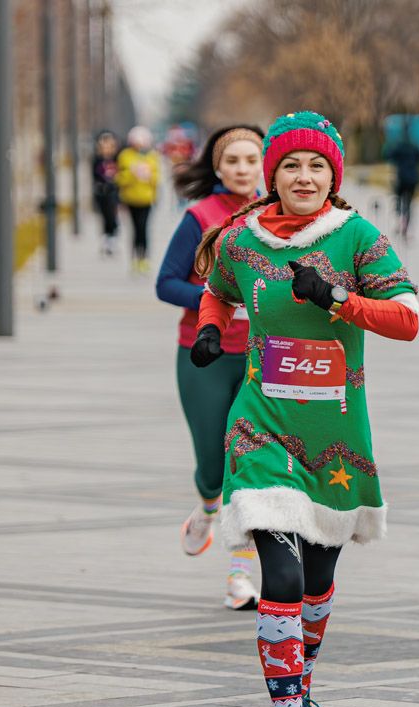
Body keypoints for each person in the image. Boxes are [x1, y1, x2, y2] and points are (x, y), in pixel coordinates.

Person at [189, 110, 419, 707]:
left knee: (317, 583)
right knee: (281, 578)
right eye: (290, 164)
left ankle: (302, 688)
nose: (303, 176)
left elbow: (407, 319)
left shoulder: (357, 238)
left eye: (316, 165)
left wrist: (339, 299)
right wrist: (211, 330)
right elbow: (217, 291)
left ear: (333, 176)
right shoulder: (243, 239)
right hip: (260, 426)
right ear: (273, 175)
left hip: (336, 440)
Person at [155, 124, 265, 610]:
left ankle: (240, 576)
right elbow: (166, 283)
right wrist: (216, 297)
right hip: (205, 354)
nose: (243, 168)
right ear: (217, 167)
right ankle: (205, 505)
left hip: (265, 359)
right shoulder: (199, 216)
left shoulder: (277, 216)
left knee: (248, 464)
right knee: (214, 466)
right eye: (233, 160)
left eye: (252, 159)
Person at [116, 126, 160, 273]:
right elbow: (119, 179)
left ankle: (144, 258)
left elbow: (157, 178)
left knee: (144, 228)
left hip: (146, 199)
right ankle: (135, 258)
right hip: (130, 199)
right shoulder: (125, 155)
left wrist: (148, 176)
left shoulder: (152, 156)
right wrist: (132, 173)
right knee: (134, 229)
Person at [384, 122, 419, 240]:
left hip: (401, 178)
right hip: (413, 178)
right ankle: (406, 224)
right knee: (409, 204)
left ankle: (400, 220)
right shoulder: (414, 146)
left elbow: (388, 156)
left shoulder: (399, 145)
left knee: (399, 200)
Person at [91, 131, 120, 257]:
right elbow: (94, 176)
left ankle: (112, 238)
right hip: (101, 192)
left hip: (113, 192)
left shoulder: (117, 159)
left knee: (112, 217)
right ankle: (106, 239)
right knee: (104, 217)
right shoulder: (97, 160)